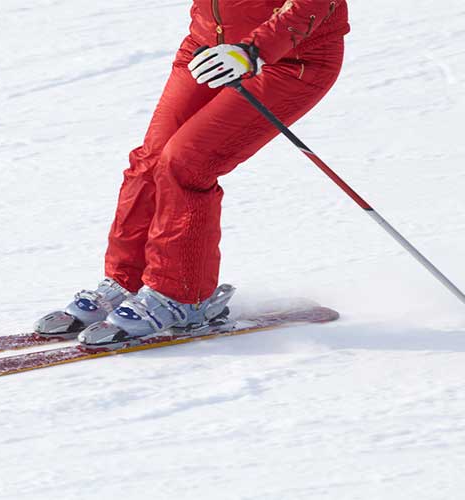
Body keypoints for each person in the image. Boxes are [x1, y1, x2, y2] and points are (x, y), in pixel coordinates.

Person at [37, 1, 350, 347]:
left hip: (288, 61)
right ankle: (130, 282)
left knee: (187, 162)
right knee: (151, 161)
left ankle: (183, 296)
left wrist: (254, 50)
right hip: (207, 49)